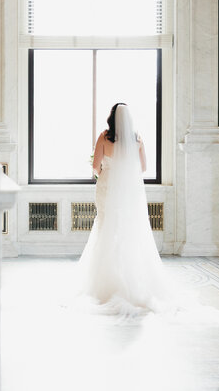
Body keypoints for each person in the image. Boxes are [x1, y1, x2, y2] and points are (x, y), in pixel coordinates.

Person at [76, 102, 179, 315]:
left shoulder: (104, 137)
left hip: (107, 186)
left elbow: (96, 166)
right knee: (129, 230)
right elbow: (143, 167)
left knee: (106, 227)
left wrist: (103, 169)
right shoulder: (137, 139)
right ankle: (132, 277)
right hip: (129, 190)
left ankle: (104, 281)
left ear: (111, 118)